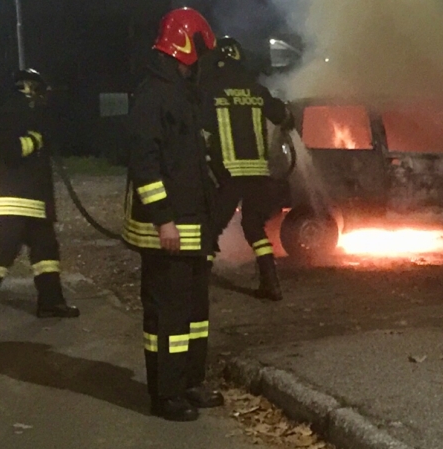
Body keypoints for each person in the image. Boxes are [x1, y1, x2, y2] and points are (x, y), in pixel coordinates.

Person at [124, 7, 224, 422]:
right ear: (186, 47)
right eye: (199, 53)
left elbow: (191, 163)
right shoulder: (153, 95)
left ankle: (189, 382)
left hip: (191, 226)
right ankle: (165, 395)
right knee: (168, 315)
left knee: (195, 313)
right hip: (166, 229)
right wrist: (164, 218)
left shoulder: (182, 95)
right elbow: (145, 163)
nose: (202, 63)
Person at [0, 69, 80, 320]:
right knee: (5, 249)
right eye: (38, 90)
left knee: (46, 251)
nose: (41, 97)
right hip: (13, 198)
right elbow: (10, 150)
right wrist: (37, 139)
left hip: (33, 199)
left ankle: (51, 302)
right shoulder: (10, 111)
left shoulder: (26, 113)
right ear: (28, 88)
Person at [200, 36, 295, 302]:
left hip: (228, 175)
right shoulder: (257, 90)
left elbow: (199, 128)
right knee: (254, 228)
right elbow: (282, 115)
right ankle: (271, 284)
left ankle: (198, 284)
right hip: (257, 174)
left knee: (210, 228)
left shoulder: (210, 92)